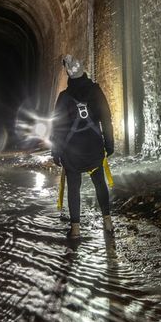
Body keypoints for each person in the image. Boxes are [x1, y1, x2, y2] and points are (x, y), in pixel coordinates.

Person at [50, 54, 114, 240]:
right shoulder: (96, 91)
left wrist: (56, 151)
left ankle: (76, 229)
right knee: (100, 183)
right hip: (94, 148)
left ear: (69, 75)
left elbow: (58, 128)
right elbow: (106, 120)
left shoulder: (64, 97)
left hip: (73, 152)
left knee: (74, 188)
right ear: (83, 71)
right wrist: (109, 144)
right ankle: (108, 222)